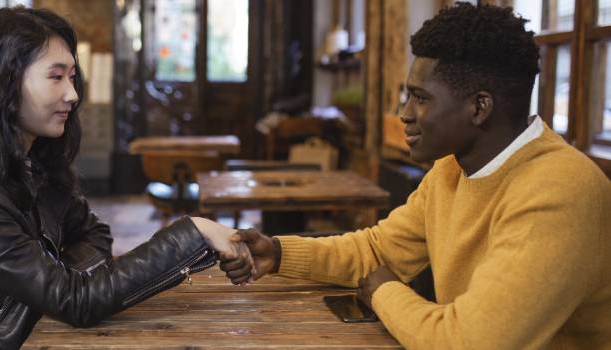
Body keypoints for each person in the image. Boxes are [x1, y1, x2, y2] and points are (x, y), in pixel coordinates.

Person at [220, 3, 610, 349]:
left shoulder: (561, 190)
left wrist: (384, 292)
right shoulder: (452, 169)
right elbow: (377, 251)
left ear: (479, 108)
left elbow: (470, 342)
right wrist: (279, 252)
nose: (405, 113)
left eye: (420, 98)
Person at [0, 7, 248, 349]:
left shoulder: (33, 165)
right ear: (2, 83)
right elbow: (79, 303)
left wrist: (57, 281)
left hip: (39, 333)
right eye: (56, 77)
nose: (72, 95)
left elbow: (94, 234)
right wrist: (193, 234)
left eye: (72, 77)